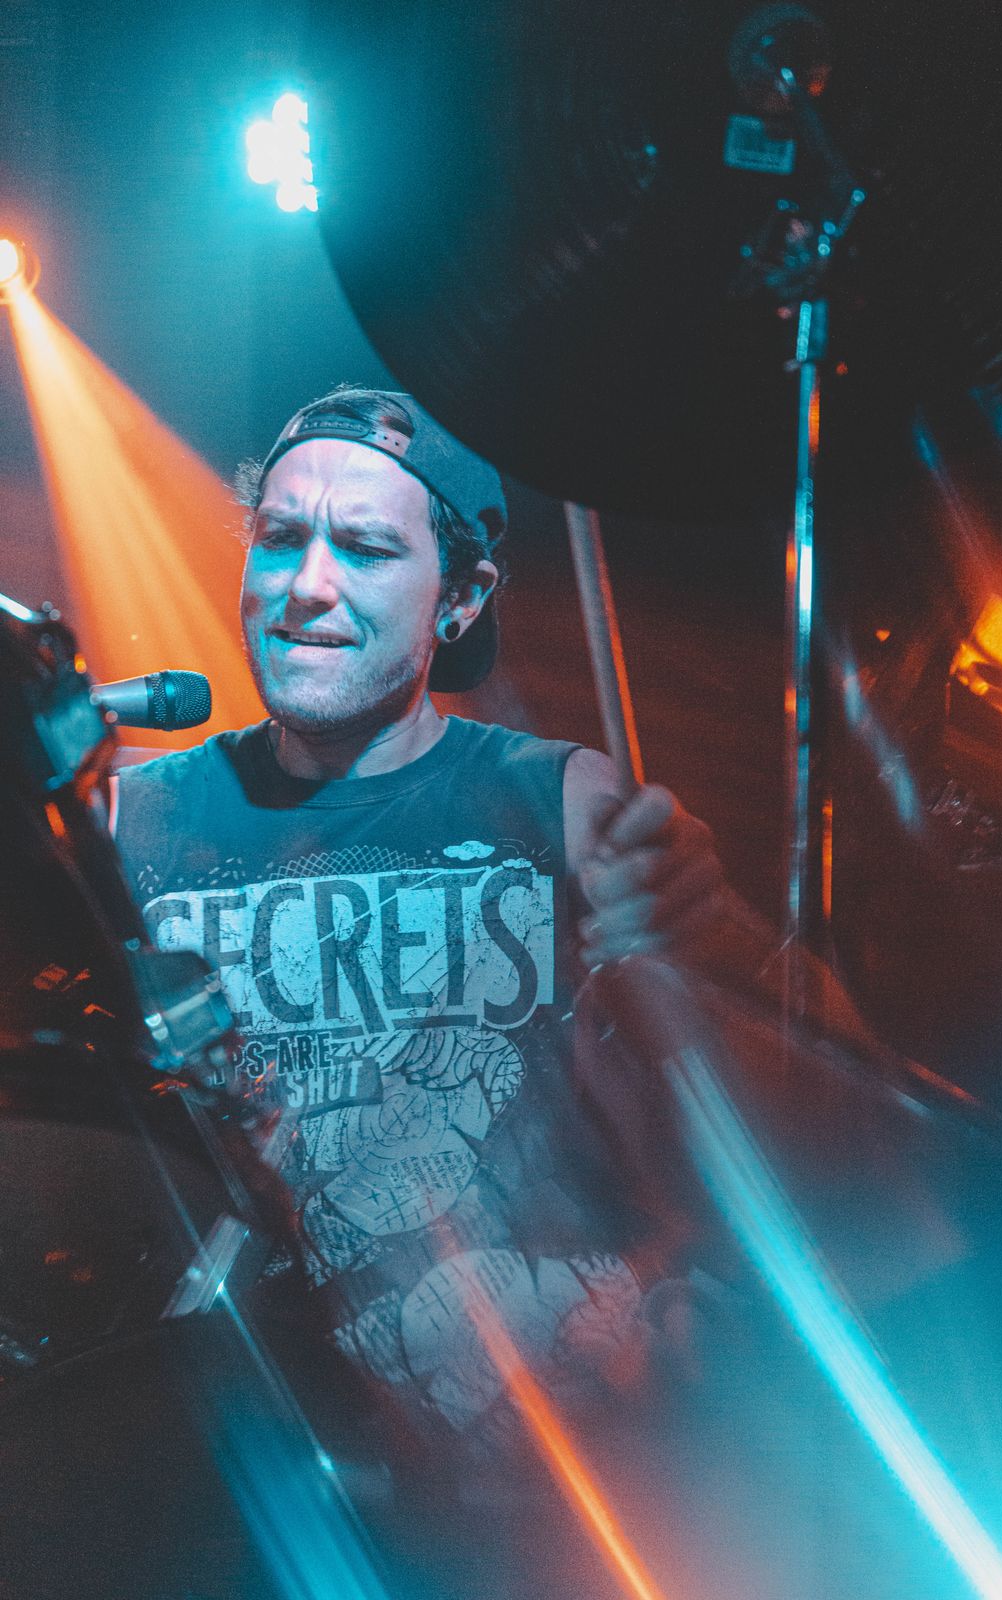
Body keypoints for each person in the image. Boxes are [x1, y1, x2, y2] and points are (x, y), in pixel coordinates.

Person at [110, 387, 836, 1475]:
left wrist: (714, 934)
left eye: (364, 549)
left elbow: (798, 1105)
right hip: (249, 1464)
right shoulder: (133, 817)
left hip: (552, 1465)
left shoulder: (556, 799)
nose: (306, 584)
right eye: (280, 538)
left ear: (459, 598)